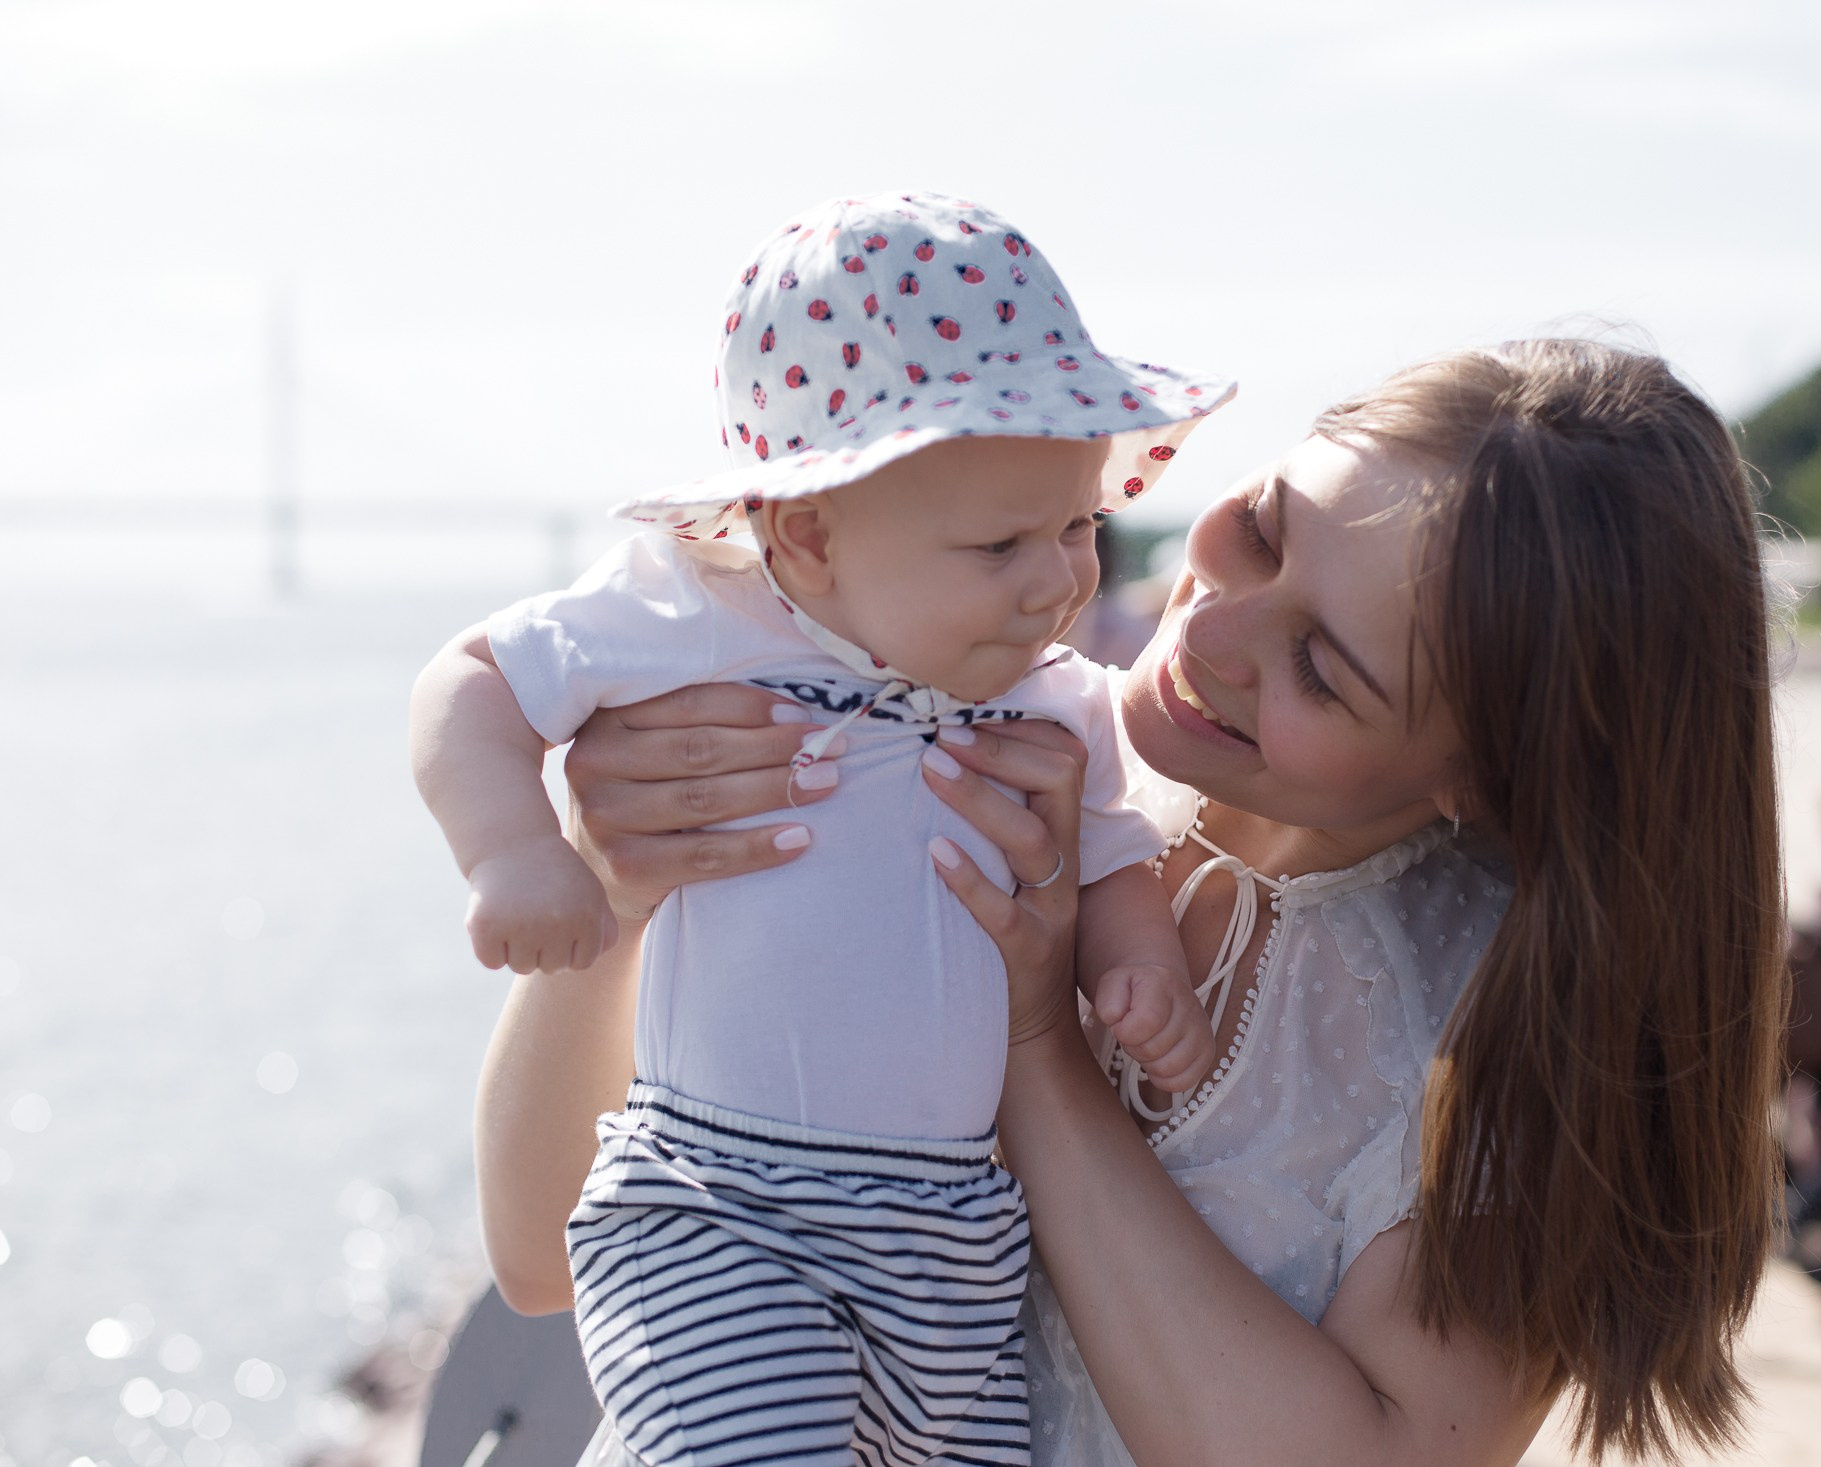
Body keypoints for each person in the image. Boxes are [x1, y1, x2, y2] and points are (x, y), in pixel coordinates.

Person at [474, 340, 1789, 1467]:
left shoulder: (1512, 1017)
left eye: (1321, 672)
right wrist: (614, 880)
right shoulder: (948, 730)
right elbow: (543, 1255)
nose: (1210, 627)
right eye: (1260, 527)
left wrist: (1048, 1051)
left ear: (1484, 778)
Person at [413, 191, 1228, 1467]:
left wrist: (1139, 960)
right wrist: (518, 850)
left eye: (1076, 525)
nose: (1061, 577)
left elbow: (1116, 848)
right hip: (723, 1199)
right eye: (1001, 541)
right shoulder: (698, 621)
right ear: (806, 533)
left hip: (950, 1228)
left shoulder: (1049, 693)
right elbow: (471, 679)